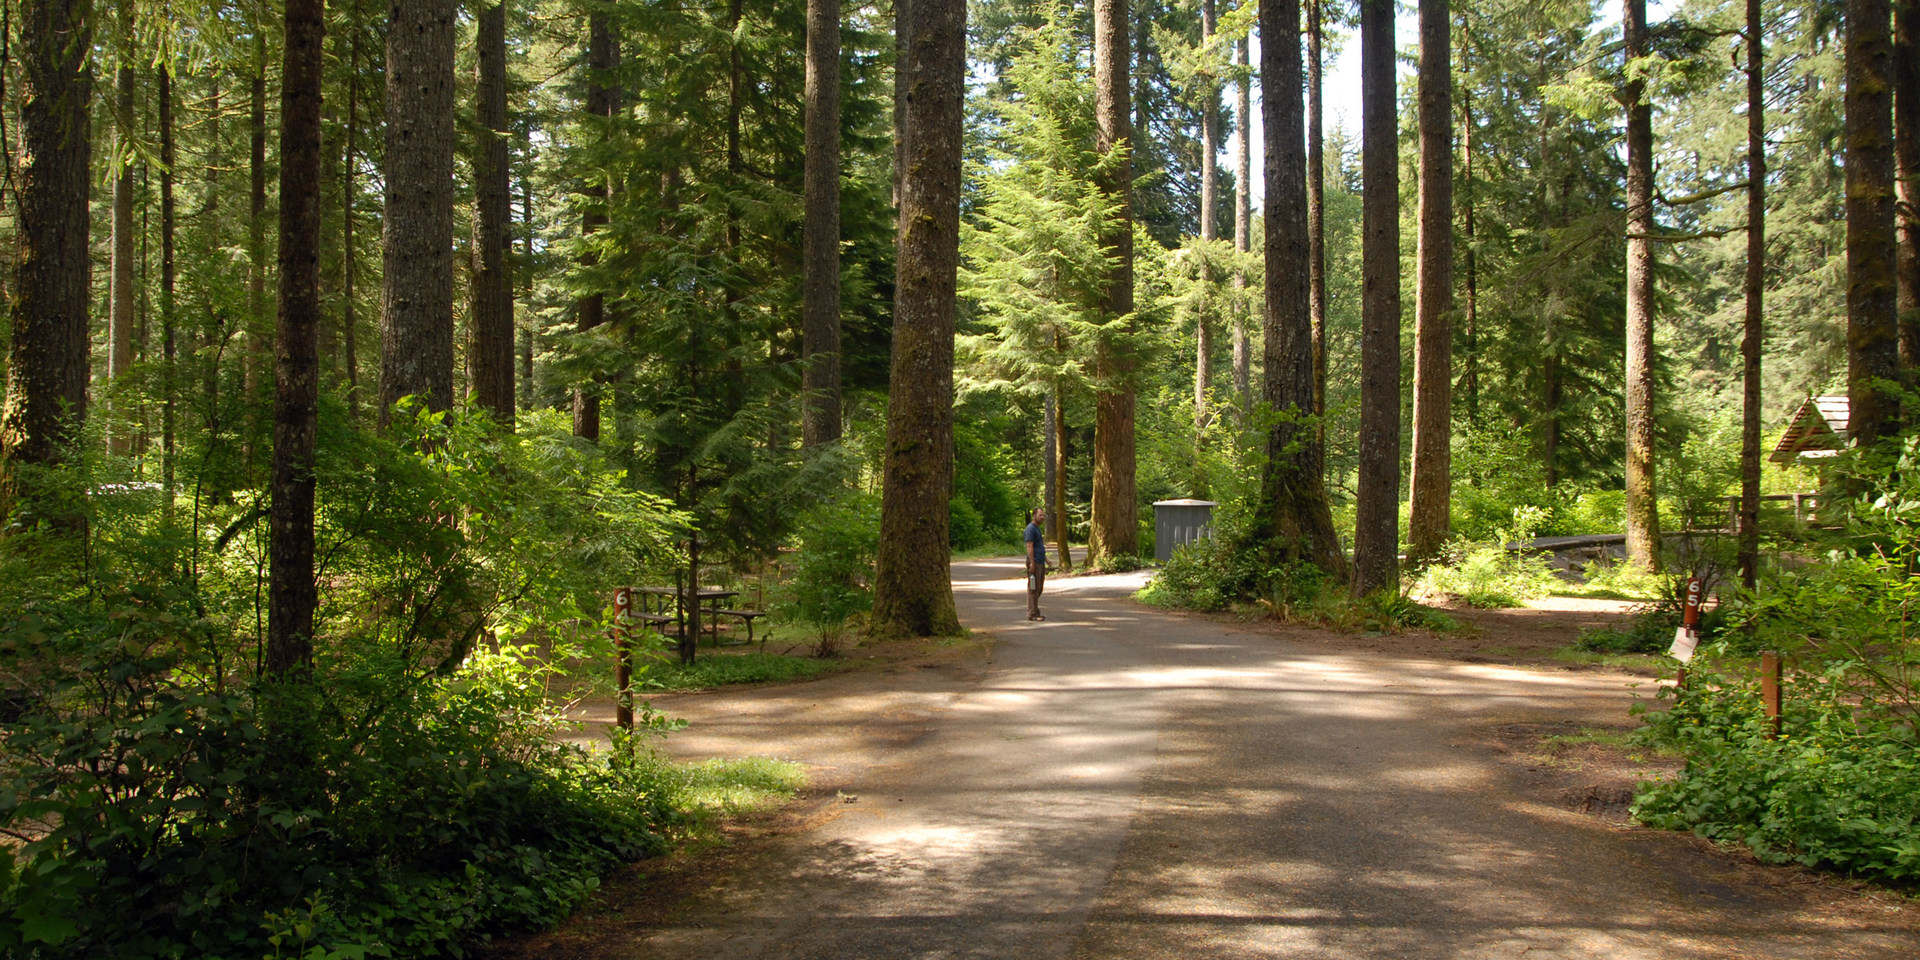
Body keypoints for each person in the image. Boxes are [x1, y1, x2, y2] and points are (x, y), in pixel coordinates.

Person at [1024, 507, 1047, 621]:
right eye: (1040, 515)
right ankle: (1033, 613)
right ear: (1034, 516)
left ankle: (1033, 610)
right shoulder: (1030, 529)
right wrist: (1032, 563)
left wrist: (1046, 559)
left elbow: (1039, 546)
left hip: (1040, 561)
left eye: (1043, 515)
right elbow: (1029, 546)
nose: (1042, 517)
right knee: (1033, 587)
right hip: (1034, 562)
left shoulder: (1037, 529)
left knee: (1039, 588)